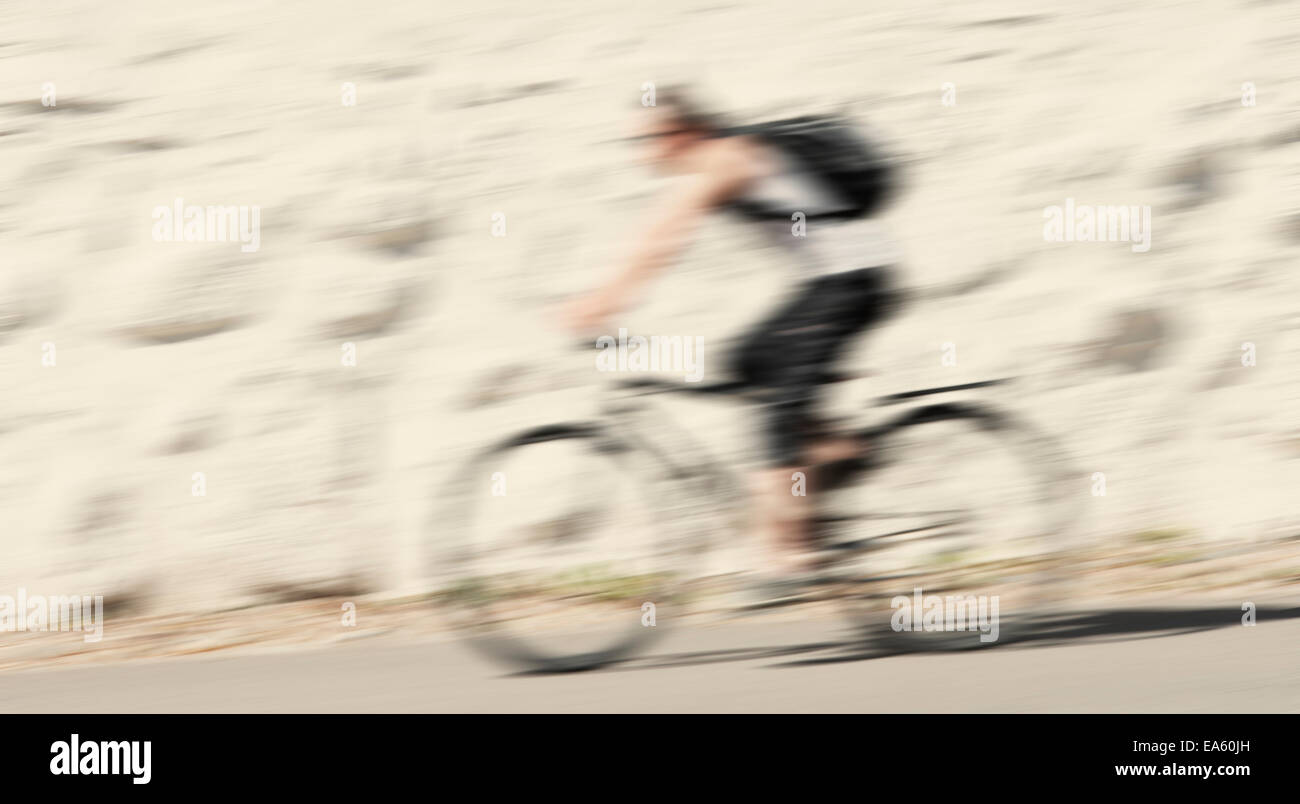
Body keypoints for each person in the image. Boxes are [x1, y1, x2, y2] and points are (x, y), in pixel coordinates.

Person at [564, 87, 901, 592]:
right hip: (830, 284)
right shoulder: (726, 156)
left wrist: (603, 304)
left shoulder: (726, 157)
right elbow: (663, 231)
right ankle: (836, 452)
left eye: (647, 139)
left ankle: (791, 553)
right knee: (745, 361)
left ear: (684, 132)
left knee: (778, 411)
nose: (642, 153)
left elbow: (664, 237)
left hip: (851, 283)